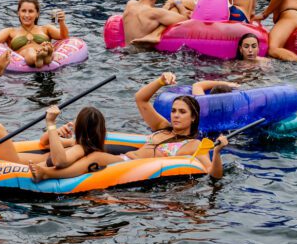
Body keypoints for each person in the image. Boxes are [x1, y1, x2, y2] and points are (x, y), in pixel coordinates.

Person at [29, 72, 228, 181]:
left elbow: (213, 173)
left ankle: (48, 173)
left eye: (182, 112)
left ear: (193, 118)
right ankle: (40, 159)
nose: (175, 115)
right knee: (84, 148)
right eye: (174, 110)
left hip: (130, 167)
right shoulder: (163, 127)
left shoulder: (195, 145)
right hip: (124, 159)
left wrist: (217, 153)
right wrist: (160, 81)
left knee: (95, 156)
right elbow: (141, 99)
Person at [0, 0, 69, 68]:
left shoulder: (46, 28)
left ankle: (46, 54)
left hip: (44, 54)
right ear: (18, 13)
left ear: (37, 14)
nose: (27, 15)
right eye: (23, 11)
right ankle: (40, 57)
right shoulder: (10, 31)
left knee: (46, 47)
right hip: (26, 58)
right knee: (29, 51)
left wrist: (61, 22)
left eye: (31, 11)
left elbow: (64, 37)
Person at [122, 0, 189, 45]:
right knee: (171, 13)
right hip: (145, 54)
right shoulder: (156, 13)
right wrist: (179, 3)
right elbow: (186, 21)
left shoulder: (130, 4)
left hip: (126, 52)